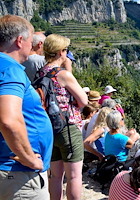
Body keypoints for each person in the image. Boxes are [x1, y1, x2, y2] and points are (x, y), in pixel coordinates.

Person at [0, 15, 53, 200]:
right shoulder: (10, 69)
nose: (32, 47)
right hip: (18, 177)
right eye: (31, 41)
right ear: (19, 40)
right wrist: (29, 158)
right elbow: (8, 120)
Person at [42, 33, 88, 200]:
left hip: (50, 127)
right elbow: (83, 101)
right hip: (68, 128)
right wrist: (69, 71)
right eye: (66, 50)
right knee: (74, 176)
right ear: (61, 52)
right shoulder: (63, 74)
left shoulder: (41, 72)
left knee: (55, 176)